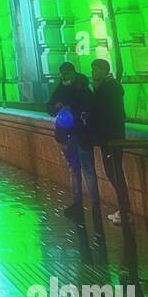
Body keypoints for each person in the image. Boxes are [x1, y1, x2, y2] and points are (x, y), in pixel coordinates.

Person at [47, 61, 101, 228]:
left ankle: (95, 205)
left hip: (82, 135)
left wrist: (68, 106)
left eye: (68, 74)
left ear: (73, 73)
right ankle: (77, 204)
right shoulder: (62, 87)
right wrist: (57, 105)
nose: (65, 77)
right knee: (74, 170)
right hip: (68, 136)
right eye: (63, 74)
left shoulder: (82, 87)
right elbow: (50, 107)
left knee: (87, 169)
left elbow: (88, 108)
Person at [90, 58, 131, 225]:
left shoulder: (110, 88)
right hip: (107, 138)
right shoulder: (104, 87)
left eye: (95, 69)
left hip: (112, 139)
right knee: (112, 173)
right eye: (92, 69)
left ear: (104, 70)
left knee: (115, 173)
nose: (93, 72)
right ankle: (123, 209)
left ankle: (125, 211)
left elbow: (104, 113)